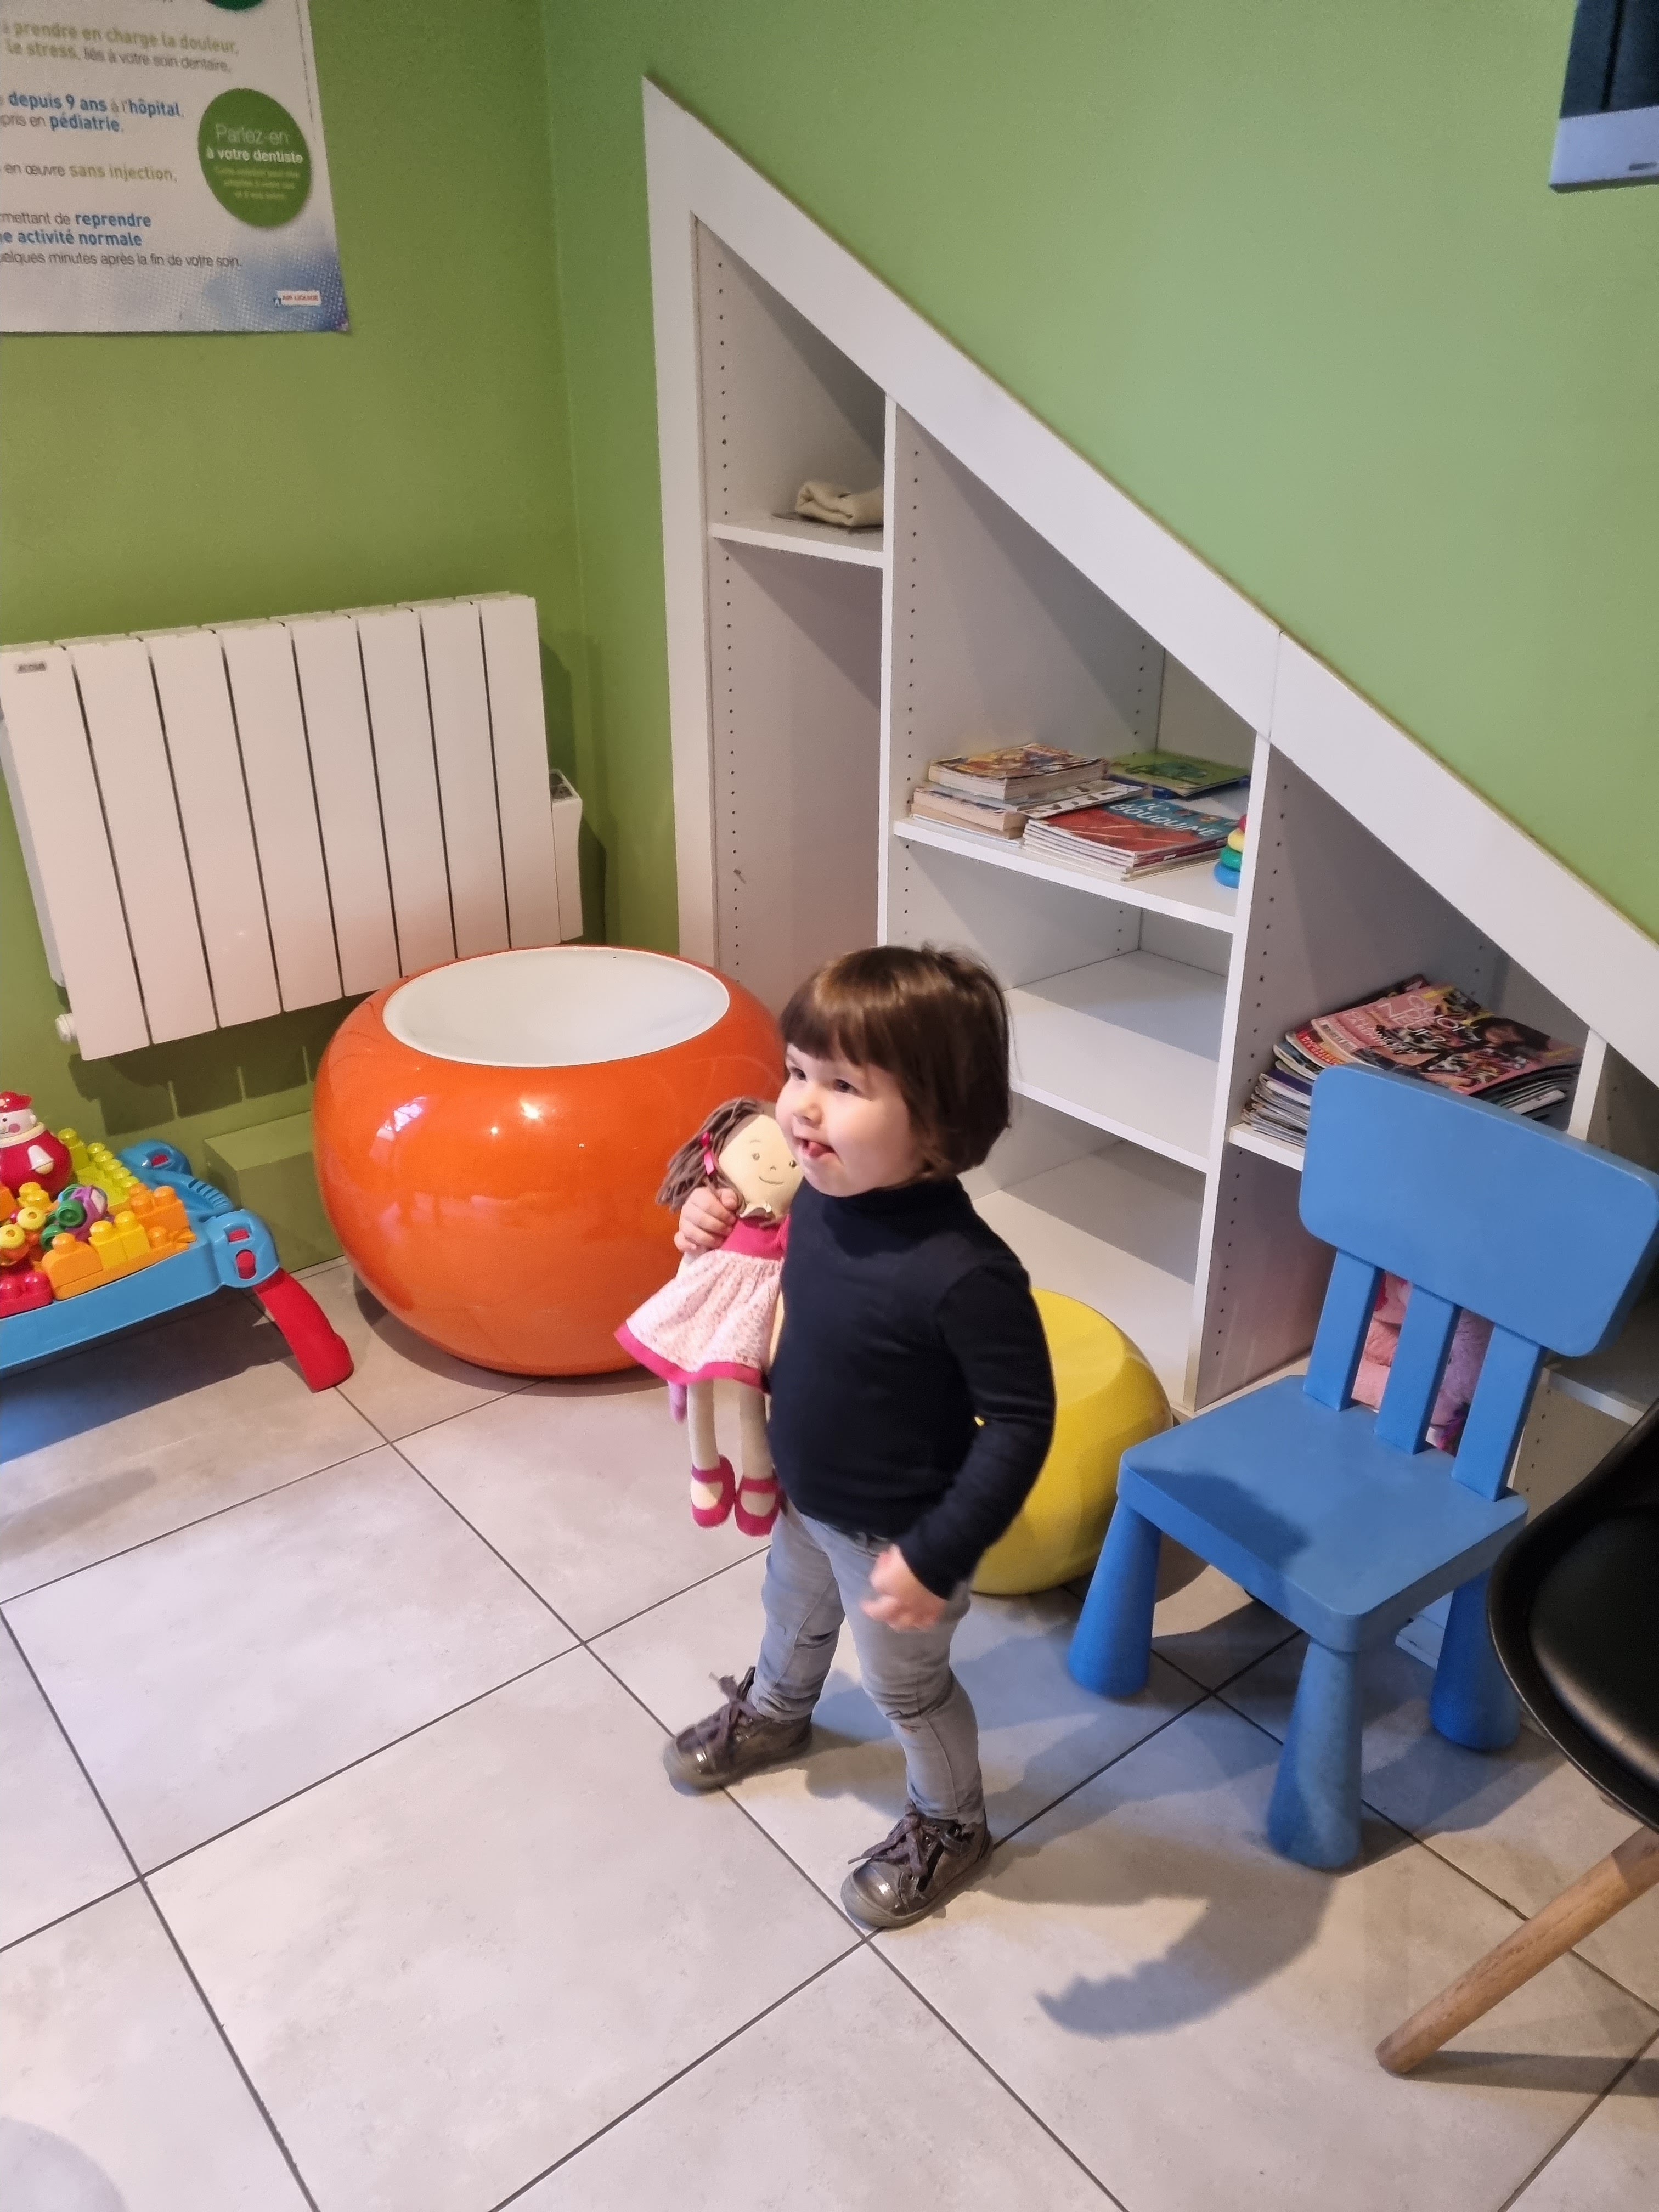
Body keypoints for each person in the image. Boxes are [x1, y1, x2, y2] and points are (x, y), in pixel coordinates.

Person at [662, 944, 1056, 1929]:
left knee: (905, 1691)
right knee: (789, 1615)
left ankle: (954, 1821)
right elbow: (751, 1248)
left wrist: (938, 1553)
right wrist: (707, 1216)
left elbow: (1022, 1421)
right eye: (797, 1070)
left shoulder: (966, 1274)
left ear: (939, 1123)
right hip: (809, 1494)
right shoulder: (820, 1196)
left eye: (843, 1086)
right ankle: (778, 1711)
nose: (799, 1107)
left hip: (900, 1535)